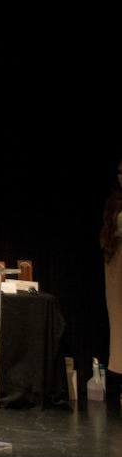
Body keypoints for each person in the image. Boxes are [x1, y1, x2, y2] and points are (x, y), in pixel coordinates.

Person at [101, 159, 122, 410]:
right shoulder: (114, 202)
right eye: (119, 172)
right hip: (116, 268)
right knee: (118, 326)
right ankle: (117, 386)